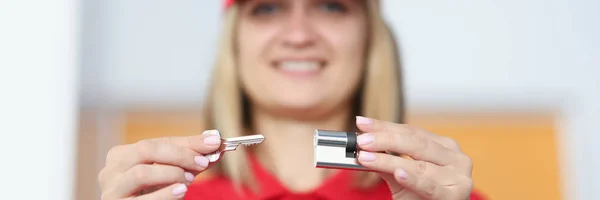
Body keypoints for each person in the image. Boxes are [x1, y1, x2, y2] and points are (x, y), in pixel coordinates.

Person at [98, 0, 487, 199]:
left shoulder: (443, 197)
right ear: (234, 41)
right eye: (267, 7)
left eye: (331, 5)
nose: (298, 35)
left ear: (369, 36)